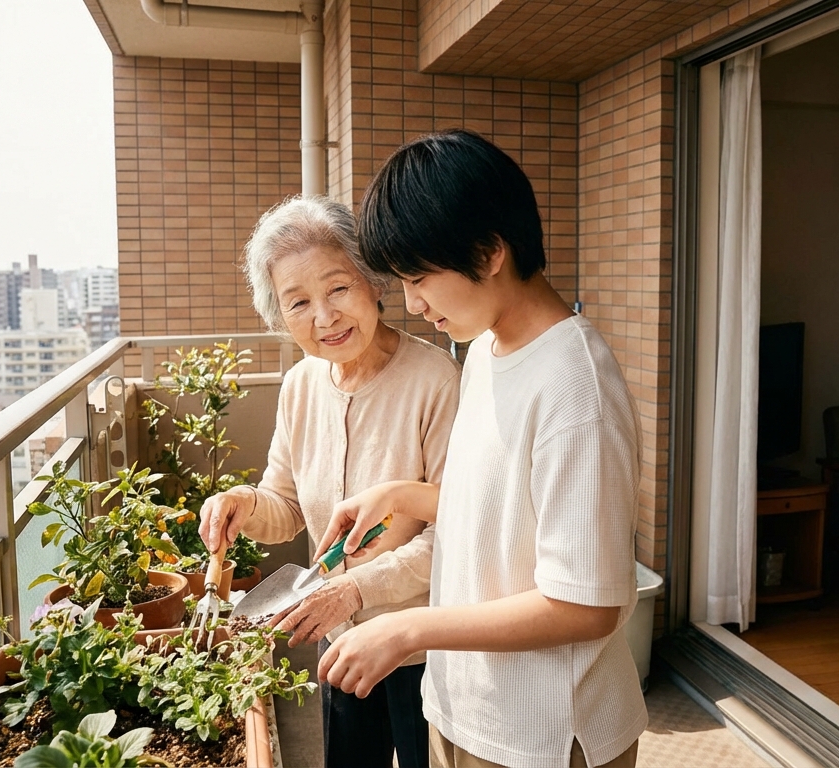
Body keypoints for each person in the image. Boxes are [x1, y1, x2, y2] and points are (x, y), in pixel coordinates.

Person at [313, 129, 648, 768]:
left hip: (545, 737)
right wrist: (403, 495)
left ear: (490, 251)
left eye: (420, 278)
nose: (411, 304)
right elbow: (509, 511)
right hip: (470, 711)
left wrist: (407, 628)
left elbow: (588, 604)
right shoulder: (487, 351)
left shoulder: (575, 386)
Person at [197, 195, 460, 768]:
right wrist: (243, 502)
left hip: (422, 641)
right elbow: (285, 505)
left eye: (338, 288)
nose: (325, 317)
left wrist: (358, 588)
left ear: (372, 282)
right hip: (338, 633)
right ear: (279, 316)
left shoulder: (437, 380)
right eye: (298, 302)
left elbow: (459, 530)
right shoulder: (300, 386)